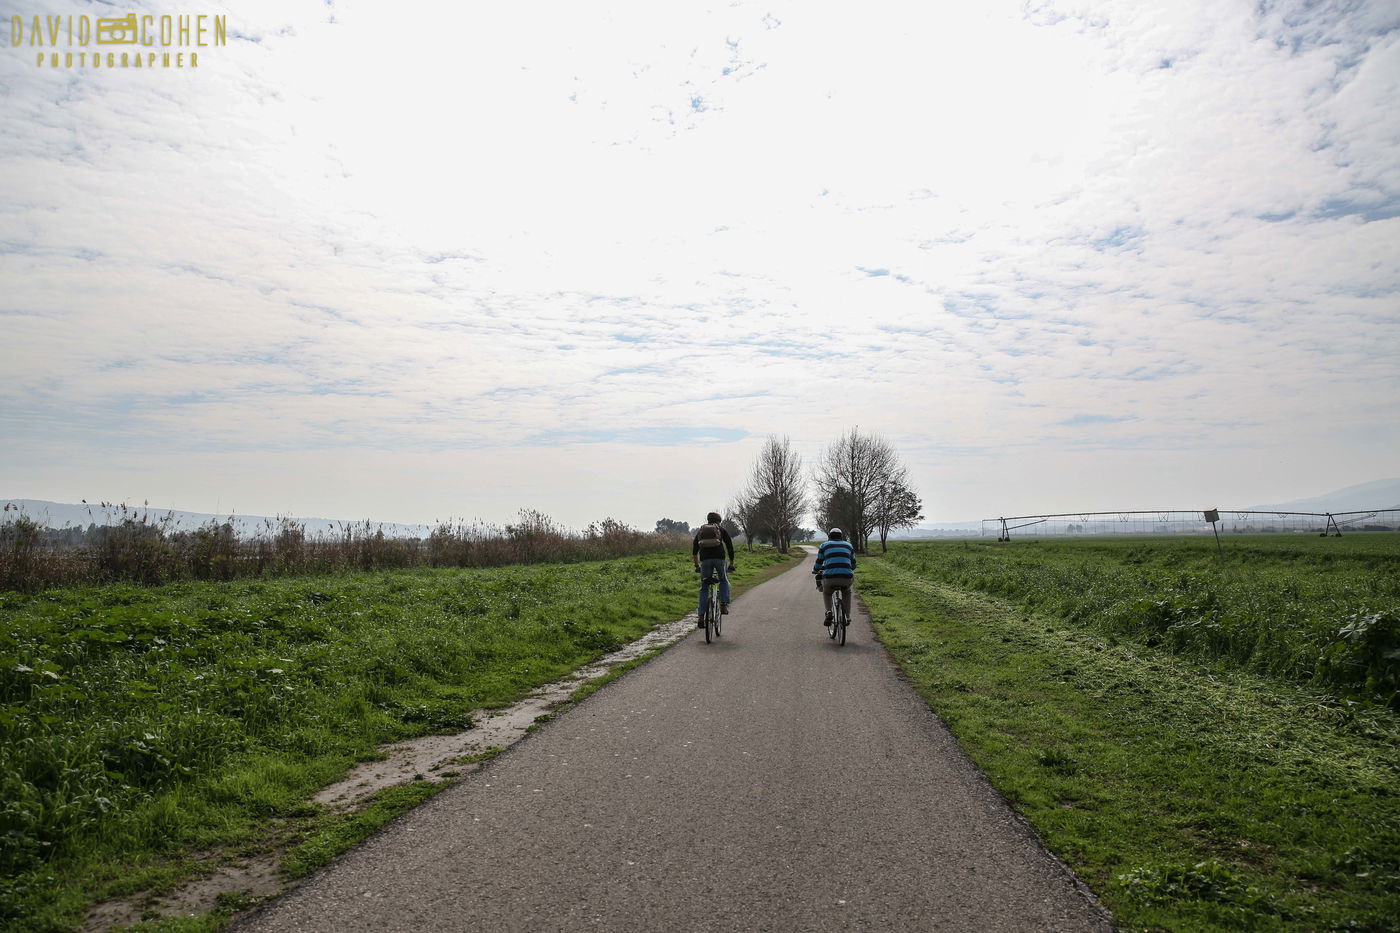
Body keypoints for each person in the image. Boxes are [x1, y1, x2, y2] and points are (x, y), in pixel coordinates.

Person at [692, 511, 736, 626]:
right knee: (723, 580)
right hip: (719, 559)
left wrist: (697, 566)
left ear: (708, 520)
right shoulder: (721, 530)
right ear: (718, 521)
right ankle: (723, 604)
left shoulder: (701, 531)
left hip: (705, 560)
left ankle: (701, 616)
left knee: (704, 587)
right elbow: (730, 546)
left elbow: (694, 549)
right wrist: (731, 563)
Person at [812, 527, 856, 625]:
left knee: (827, 592)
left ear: (829, 537)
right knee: (846, 592)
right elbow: (853, 565)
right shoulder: (849, 545)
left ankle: (828, 612)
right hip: (846, 578)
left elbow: (819, 563)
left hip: (830, 578)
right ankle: (847, 617)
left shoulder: (824, 545)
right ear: (841, 537)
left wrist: (815, 570)